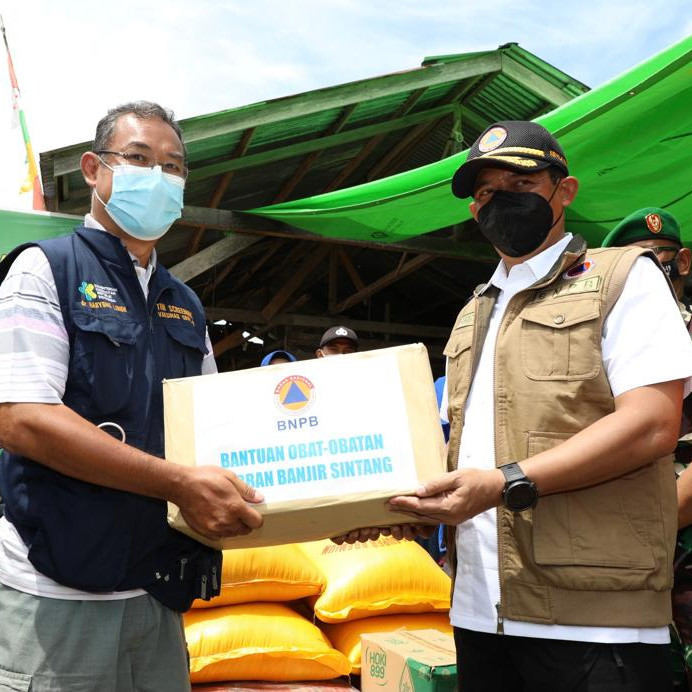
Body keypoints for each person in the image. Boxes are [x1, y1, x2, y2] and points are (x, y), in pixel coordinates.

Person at [376, 120, 692, 690]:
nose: (499, 203)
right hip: (480, 611)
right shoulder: (474, 310)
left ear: (562, 192)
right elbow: (454, 444)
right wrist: (385, 505)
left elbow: (651, 425)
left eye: (519, 185)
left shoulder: (622, 278)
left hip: (594, 620)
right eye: (486, 194)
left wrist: (504, 482)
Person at [0, 101, 264, 691]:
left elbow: (216, 430)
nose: (160, 178)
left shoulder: (184, 304)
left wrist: (347, 500)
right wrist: (177, 483)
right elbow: (23, 420)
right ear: (94, 169)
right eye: (140, 159)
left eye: (174, 169)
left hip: (156, 587)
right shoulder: (46, 270)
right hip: (58, 587)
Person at [603, 208, 692, 687]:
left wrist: (661, 519)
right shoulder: (606, 343)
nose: (654, 269)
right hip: (630, 548)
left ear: (684, 264)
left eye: (664, 259)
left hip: (672, 536)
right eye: (639, 260)